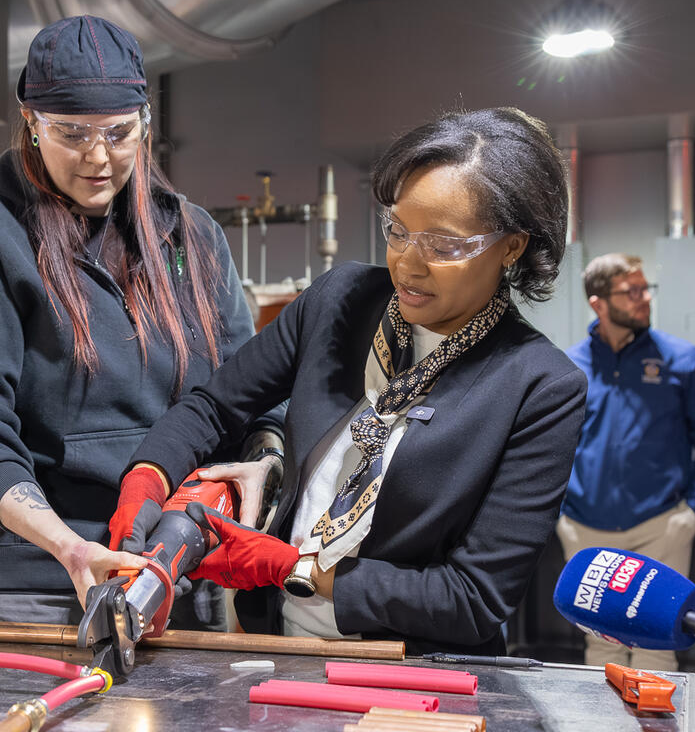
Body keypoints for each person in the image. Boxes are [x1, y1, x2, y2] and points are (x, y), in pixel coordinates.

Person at [112, 107, 587, 653]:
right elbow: (216, 407)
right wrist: (147, 476)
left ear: (512, 246)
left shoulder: (540, 386)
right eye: (399, 231)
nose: (409, 264)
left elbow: (472, 599)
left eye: (444, 246)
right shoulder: (341, 300)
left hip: (407, 671)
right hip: (279, 645)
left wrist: (297, 569)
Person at [0, 15, 280, 626]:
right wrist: (69, 548)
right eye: (73, 134)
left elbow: (249, 386)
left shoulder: (190, 235)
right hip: (38, 578)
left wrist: (262, 460)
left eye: (118, 133)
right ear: (30, 122)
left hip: (178, 562)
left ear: (145, 124)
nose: (98, 157)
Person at [557, 253, 695, 673]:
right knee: (601, 646)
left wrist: (694, 510)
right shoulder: (569, 367)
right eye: (630, 291)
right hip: (584, 528)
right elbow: (551, 446)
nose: (644, 299)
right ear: (598, 302)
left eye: (645, 289)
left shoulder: (682, 359)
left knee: (655, 644)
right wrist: (559, 513)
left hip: (661, 525)